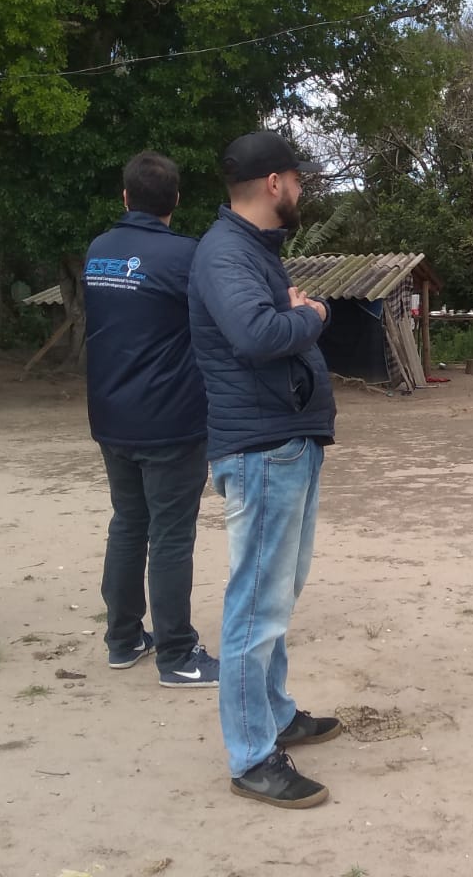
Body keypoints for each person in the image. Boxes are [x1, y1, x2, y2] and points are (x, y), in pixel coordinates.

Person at [189, 130, 342, 809]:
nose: (302, 190)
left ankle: (275, 714)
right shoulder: (227, 253)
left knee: (276, 594)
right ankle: (252, 757)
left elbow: (265, 324)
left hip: (282, 441)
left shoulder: (252, 251)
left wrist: (292, 310)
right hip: (260, 448)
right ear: (275, 183)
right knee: (256, 602)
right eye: (299, 180)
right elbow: (256, 336)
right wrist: (313, 313)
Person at [83, 152, 218, 688]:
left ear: (125, 197)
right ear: (176, 200)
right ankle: (178, 655)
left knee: (127, 522)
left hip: (111, 414)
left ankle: (123, 639)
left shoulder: (99, 250)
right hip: (170, 419)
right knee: (170, 536)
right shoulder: (187, 255)